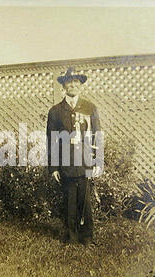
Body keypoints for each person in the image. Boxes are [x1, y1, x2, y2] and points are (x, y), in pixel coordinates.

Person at [46, 67, 102, 245]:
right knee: (69, 200)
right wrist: (54, 166)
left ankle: (87, 237)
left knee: (85, 200)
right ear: (64, 85)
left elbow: (96, 136)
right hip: (66, 163)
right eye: (69, 81)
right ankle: (71, 237)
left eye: (76, 81)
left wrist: (98, 161)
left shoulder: (90, 108)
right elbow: (51, 140)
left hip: (85, 161)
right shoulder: (55, 111)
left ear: (80, 85)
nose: (73, 84)